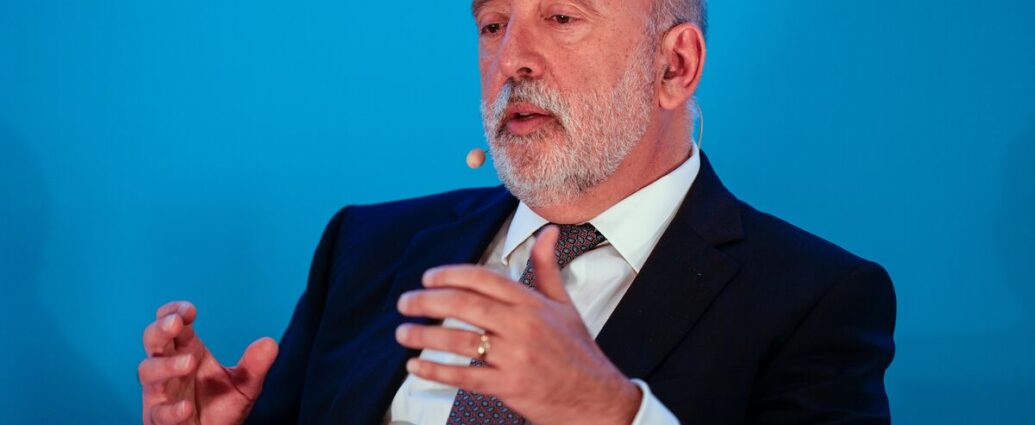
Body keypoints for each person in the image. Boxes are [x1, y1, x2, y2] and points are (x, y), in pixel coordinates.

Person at [137, 0, 897, 424]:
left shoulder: (817, 300)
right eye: (493, 24)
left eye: (561, 17)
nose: (511, 62)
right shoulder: (364, 245)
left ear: (675, 65)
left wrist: (607, 411)